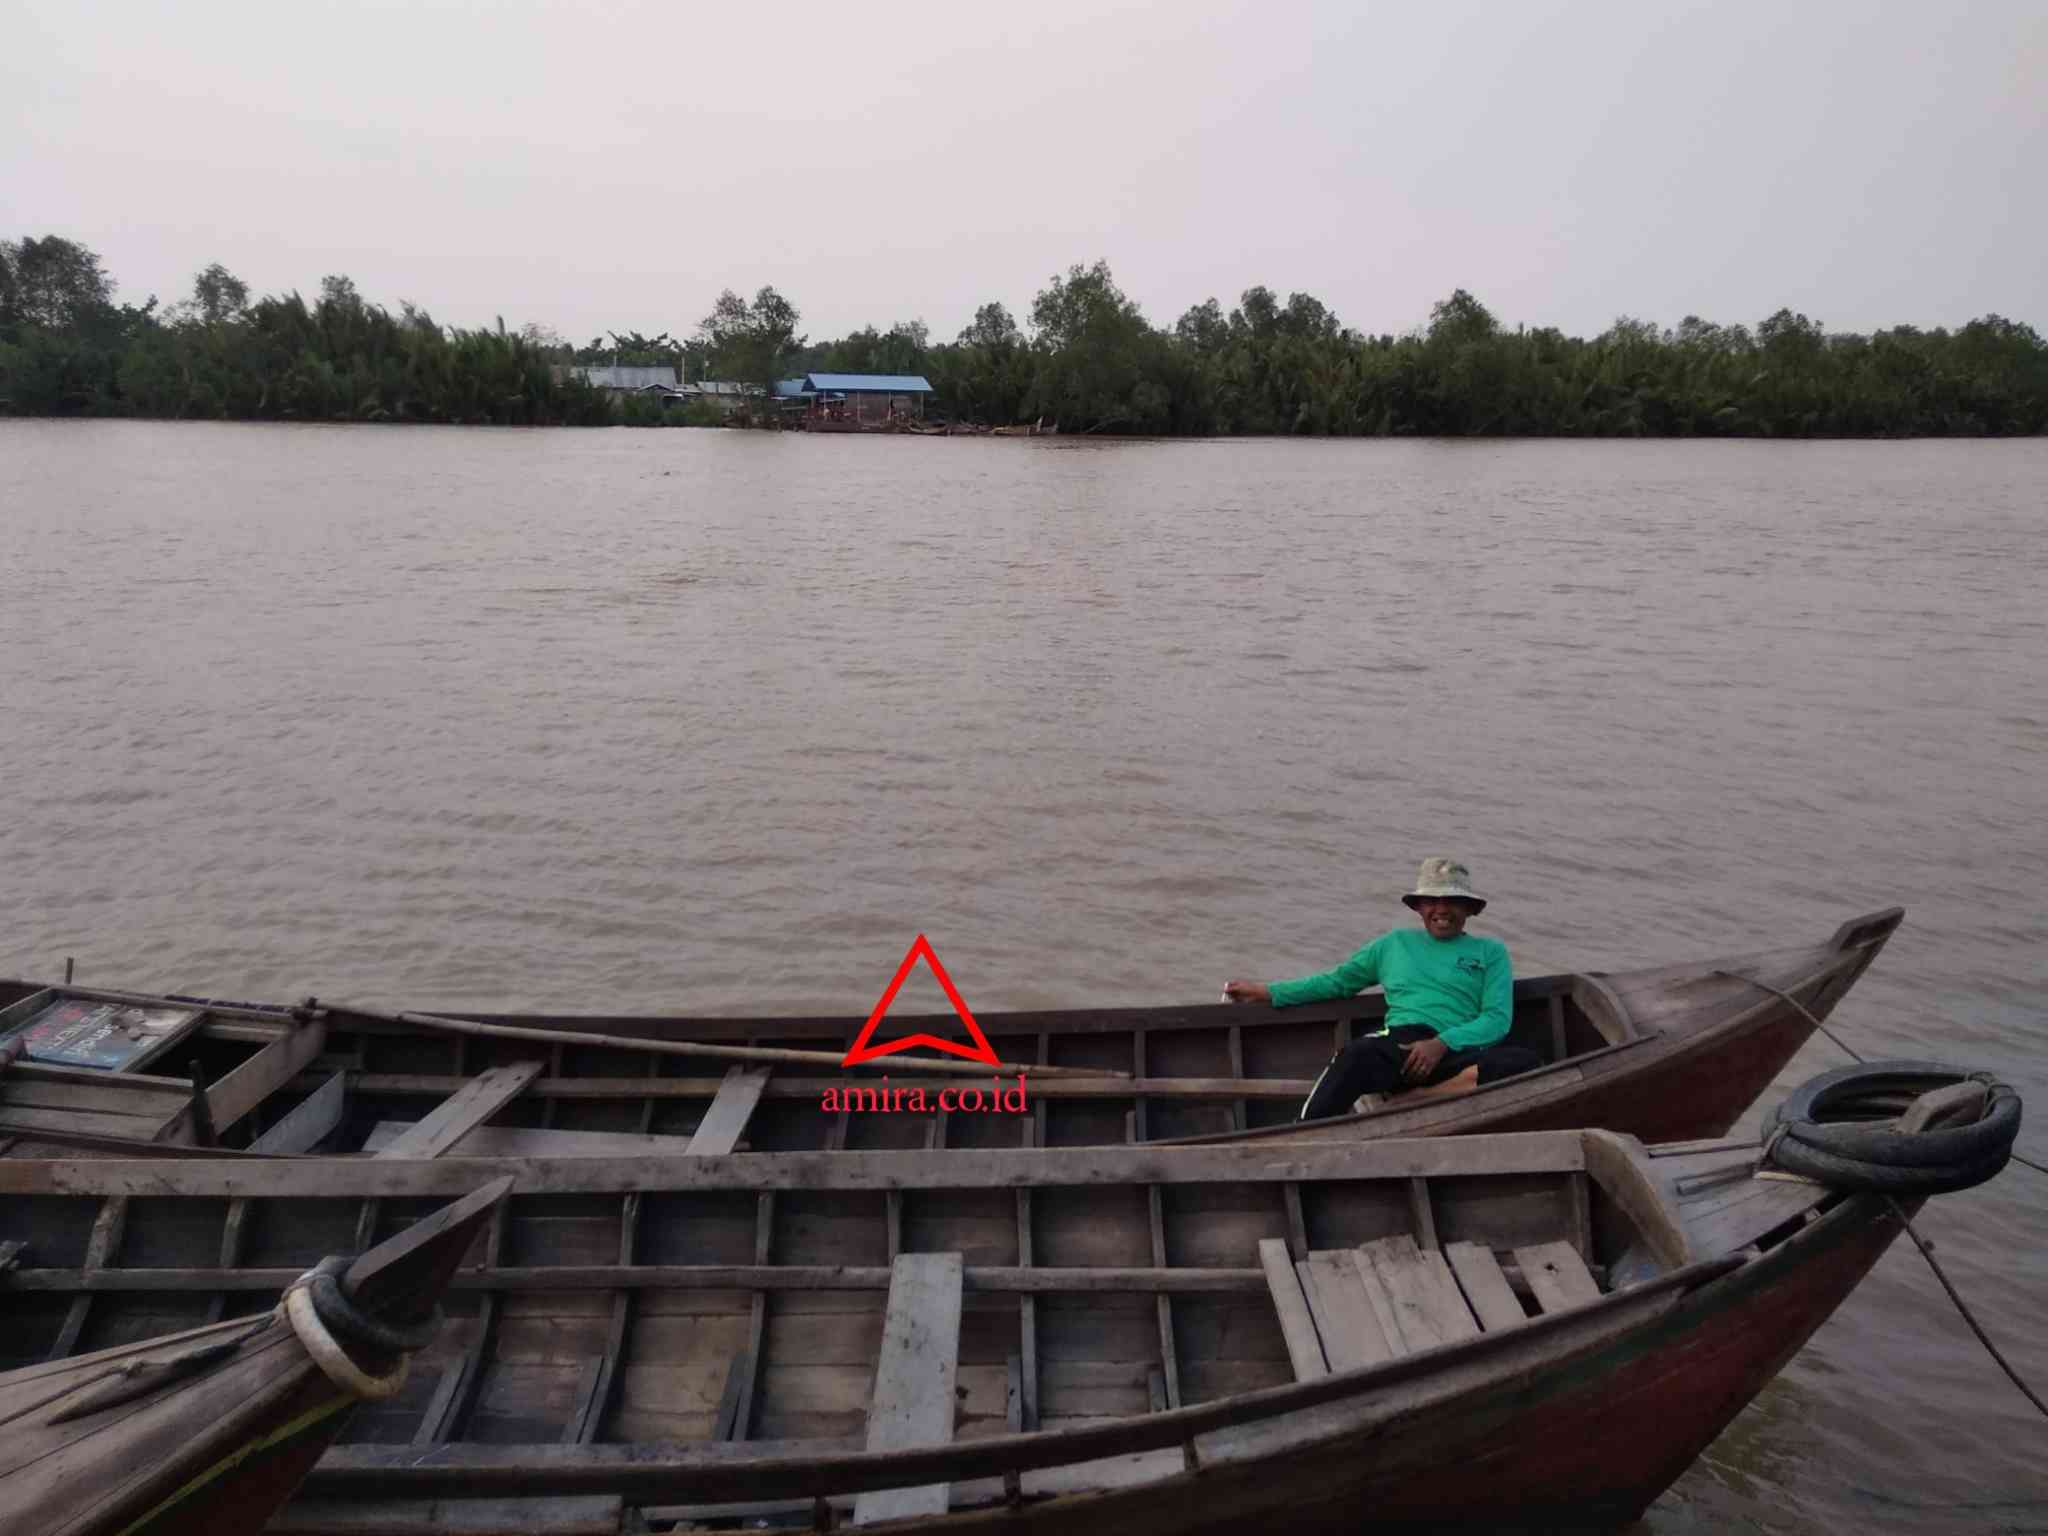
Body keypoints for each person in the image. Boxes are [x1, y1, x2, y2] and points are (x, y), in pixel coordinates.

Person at [1222, 857, 1541, 1121]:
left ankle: (1417, 1099)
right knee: (1355, 1055)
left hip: (1456, 1054)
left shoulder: (1490, 952)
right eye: (1432, 900)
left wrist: (1441, 1043)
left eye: (1453, 901)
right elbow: (1337, 982)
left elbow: (1497, 1019)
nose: (1441, 909)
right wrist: (1267, 992)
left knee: (1524, 1063)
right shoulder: (1393, 945)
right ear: (1418, 907)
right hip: (1402, 1045)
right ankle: (1303, 1130)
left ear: (1470, 909)